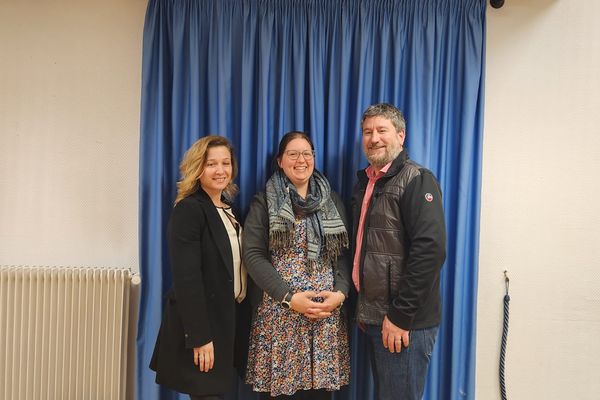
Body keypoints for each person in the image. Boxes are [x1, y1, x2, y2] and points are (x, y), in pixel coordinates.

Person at [243, 131, 351, 399]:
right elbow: (253, 256)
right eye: (293, 153)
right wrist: (289, 298)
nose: (301, 160)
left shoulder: (332, 200)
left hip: (324, 318)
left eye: (307, 153)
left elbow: (343, 256)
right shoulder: (264, 202)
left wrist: (340, 294)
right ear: (280, 161)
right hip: (280, 318)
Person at [351, 103, 447, 400]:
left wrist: (401, 316)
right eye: (368, 132)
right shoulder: (366, 181)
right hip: (375, 317)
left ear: (400, 136)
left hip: (403, 322)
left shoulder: (416, 179)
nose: (374, 138)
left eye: (382, 130)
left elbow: (430, 250)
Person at [150, 135, 248, 400]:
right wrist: (200, 337)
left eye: (225, 163)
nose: (220, 170)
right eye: (211, 164)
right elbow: (187, 279)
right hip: (204, 327)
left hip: (227, 321)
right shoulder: (190, 209)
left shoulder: (229, 210)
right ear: (197, 168)